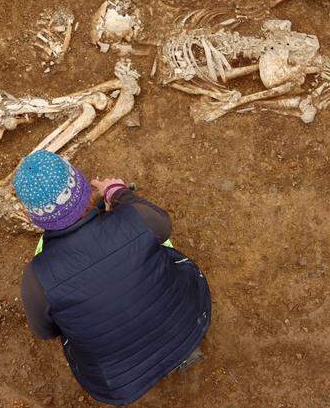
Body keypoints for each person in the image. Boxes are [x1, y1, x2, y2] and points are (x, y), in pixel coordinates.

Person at [14, 149, 211, 405]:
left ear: (35, 217)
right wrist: (117, 192)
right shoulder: (137, 219)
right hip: (189, 324)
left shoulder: (36, 279)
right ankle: (182, 353)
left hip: (117, 382)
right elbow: (163, 225)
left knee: (70, 323)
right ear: (83, 188)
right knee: (161, 247)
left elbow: (45, 332)